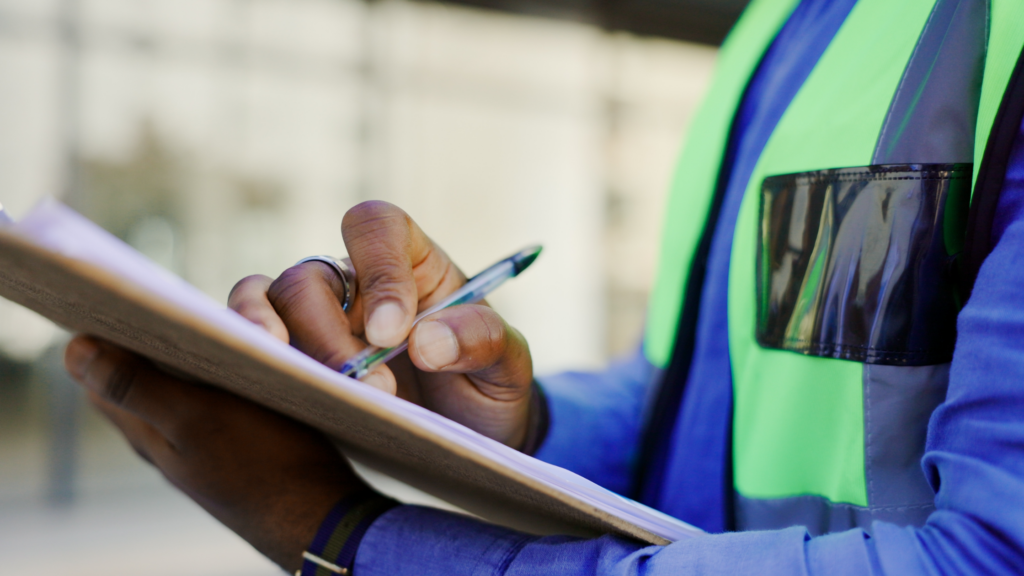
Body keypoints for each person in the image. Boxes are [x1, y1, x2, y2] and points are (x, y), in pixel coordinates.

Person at [62, 0, 1024, 573]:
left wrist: (342, 537)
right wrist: (519, 426)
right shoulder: (792, 22)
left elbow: (989, 557)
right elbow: (703, 392)